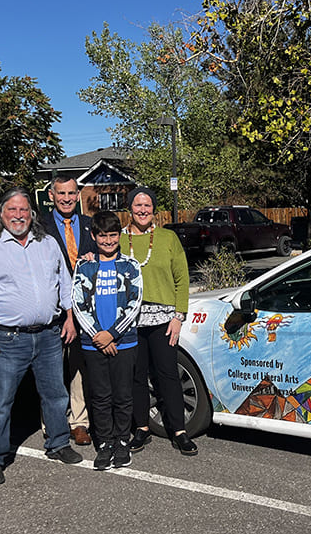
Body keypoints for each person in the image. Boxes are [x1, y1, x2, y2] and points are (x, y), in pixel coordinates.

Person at [0, 188, 83, 486]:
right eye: (12, 210)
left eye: (23, 210)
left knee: (56, 394)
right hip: (7, 339)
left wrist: (69, 318)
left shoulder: (48, 244)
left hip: (48, 336)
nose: (18, 215)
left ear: (32, 214)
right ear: (1, 215)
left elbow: (65, 283)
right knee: (0, 402)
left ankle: (58, 443)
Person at [124, 186, 198, 456]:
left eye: (147, 205)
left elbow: (182, 279)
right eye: (137, 205)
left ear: (154, 209)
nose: (142, 210)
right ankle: (141, 427)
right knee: (137, 376)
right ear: (129, 209)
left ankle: (179, 430)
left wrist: (179, 316)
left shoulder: (168, 238)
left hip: (164, 319)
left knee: (168, 374)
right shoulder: (118, 240)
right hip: (130, 320)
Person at [71, 210, 143, 470]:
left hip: (124, 342)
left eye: (113, 235)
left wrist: (111, 334)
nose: (108, 241)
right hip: (92, 343)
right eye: (103, 236)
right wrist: (98, 336)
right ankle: (105, 443)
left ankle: (123, 441)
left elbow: (135, 304)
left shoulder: (131, 266)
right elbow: (78, 304)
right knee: (100, 397)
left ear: (119, 236)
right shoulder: (85, 265)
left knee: (123, 396)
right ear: (94, 236)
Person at [42, 176, 97, 446]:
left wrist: (95, 259)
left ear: (78, 195)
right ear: (51, 195)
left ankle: (79, 422)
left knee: (79, 368)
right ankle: (52, 423)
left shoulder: (89, 226)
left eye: (71, 193)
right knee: (51, 371)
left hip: (84, 311)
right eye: (61, 193)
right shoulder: (39, 227)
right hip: (51, 311)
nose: (66, 198)